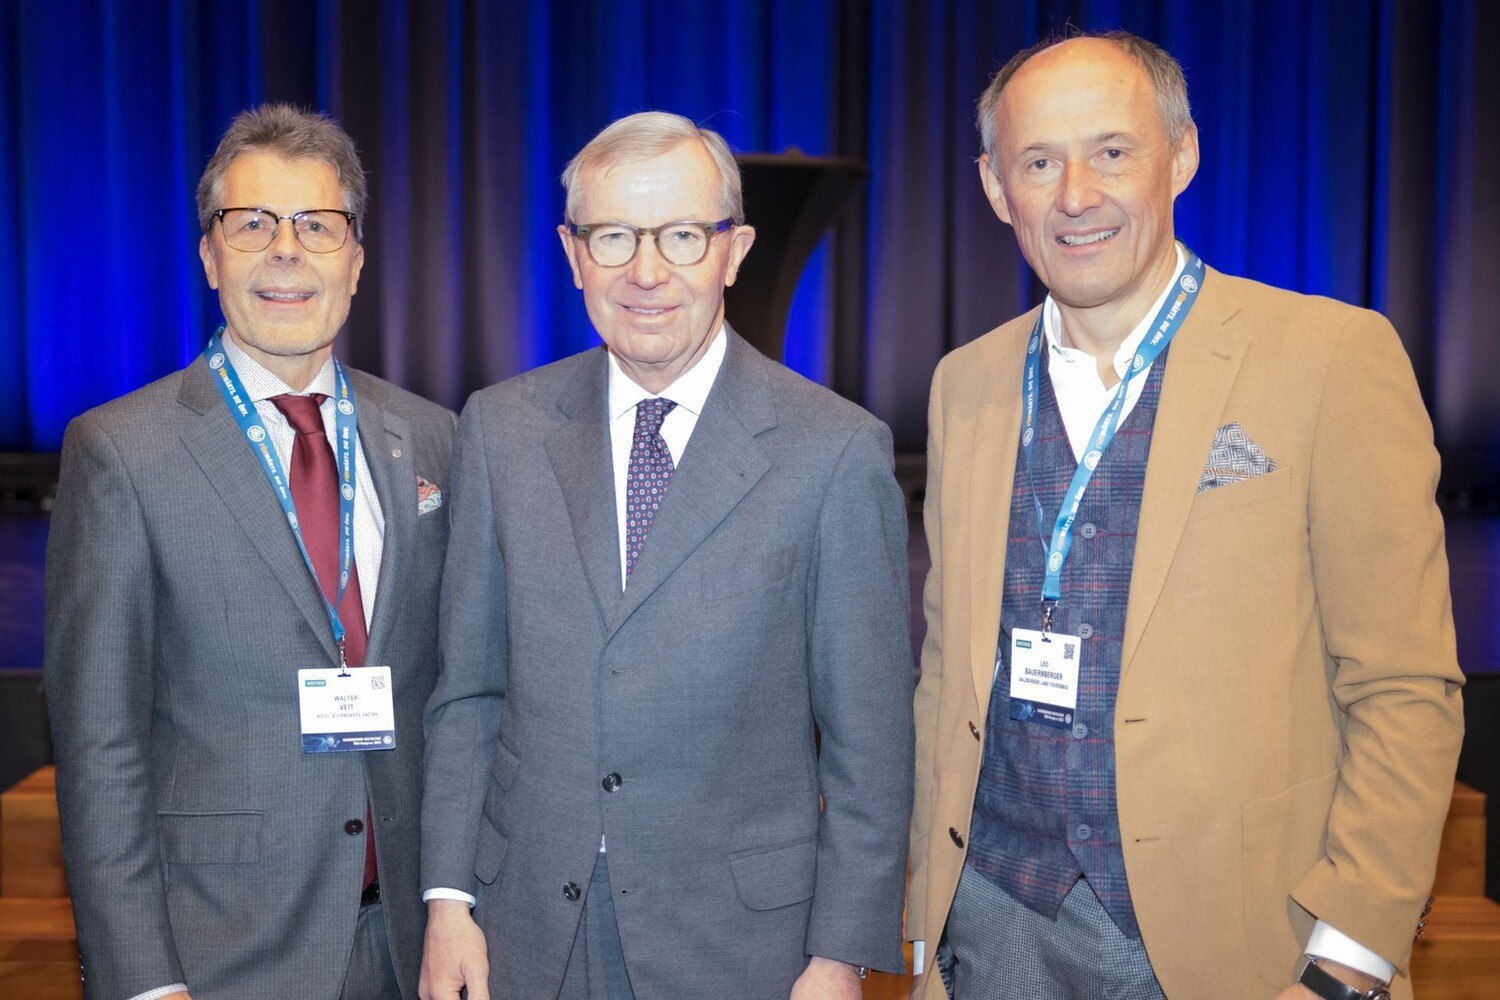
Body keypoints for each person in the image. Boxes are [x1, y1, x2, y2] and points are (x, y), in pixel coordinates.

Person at [906, 31, 1464, 1000]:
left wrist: (1347, 965)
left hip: (1238, 948)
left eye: (1112, 151)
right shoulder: (965, 384)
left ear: (1184, 155)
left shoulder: (1331, 359)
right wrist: (923, 930)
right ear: (997, 188)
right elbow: (946, 671)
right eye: (1039, 162)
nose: (1076, 193)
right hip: (992, 927)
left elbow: (1404, 688)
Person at [418, 111, 914, 1000]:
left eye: (683, 236)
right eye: (613, 237)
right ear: (574, 256)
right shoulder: (500, 427)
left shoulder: (834, 452)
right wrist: (448, 902)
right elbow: (469, 694)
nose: (646, 273)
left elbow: (870, 743)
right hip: (525, 928)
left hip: (741, 945)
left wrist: (840, 957)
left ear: (735, 249)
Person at [44, 104, 455, 1000]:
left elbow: (462, 701)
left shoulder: (433, 439)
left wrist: (462, 906)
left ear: (355, 257)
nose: (286, 250)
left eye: (316, 224)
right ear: (208, 256)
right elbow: (98, 742)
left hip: (412, 948)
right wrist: (142, 980)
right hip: (221, 953)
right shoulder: (121, 451)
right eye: (252, 223)